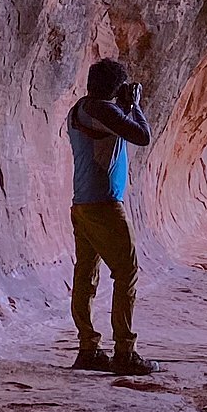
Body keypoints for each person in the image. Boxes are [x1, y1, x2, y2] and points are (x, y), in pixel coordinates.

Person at [67, 57, 152, 374]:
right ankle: (125, 352)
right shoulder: (105, 110)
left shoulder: (79, 108)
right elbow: (142, 136)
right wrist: (134, 105)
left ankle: (88, 348)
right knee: (127, 272)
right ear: (115, 88)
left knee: (85, 276)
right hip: (104, 204)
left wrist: (123, 106)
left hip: (82, 204)